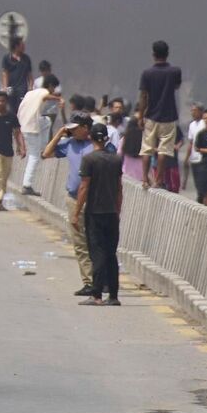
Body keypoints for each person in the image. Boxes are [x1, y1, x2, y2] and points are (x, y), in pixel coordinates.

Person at [44, 117, 102, 296]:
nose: (72, 132)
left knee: (97, 241)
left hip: (95, 199)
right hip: (74, 198)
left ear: (85, 128)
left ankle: (101, 279)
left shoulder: (96, 145)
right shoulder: (69, 144)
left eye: (74, 128)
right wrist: (60, 134)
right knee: (79, 242)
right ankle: (89, 281)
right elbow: (46, 154)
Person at [72, 124, 125, 306]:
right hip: (111, 213)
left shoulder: (89, 159)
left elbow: (84, 187)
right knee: (111, 253)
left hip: (94, 212)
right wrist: (118, 210)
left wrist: (76, 212)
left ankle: (96, 295)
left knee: (97, 253)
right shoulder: (116, 159)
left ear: (91, 138)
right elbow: (119, 188)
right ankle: (113, 295)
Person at [137, 40, 183, 190]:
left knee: (147, 148)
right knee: (164, 149)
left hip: (151, 116)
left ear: (153, 54)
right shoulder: (175, 71)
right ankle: (158, 180)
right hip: (169, 116)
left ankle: (144, 179)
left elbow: (143, 96)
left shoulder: (147, 73)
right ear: (167, 54)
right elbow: (176, 86)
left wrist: (140, 116)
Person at [17, 75, 62, 196]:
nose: (54, 91)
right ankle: (27, 185)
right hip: (31, 127)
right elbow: (46, 96)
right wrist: (59, 99)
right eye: (54, 88)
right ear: (51, 86)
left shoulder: (31, 93)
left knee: (47, 121)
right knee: (34, 157)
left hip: (26, 124)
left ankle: (44, 148)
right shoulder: (44, 92)